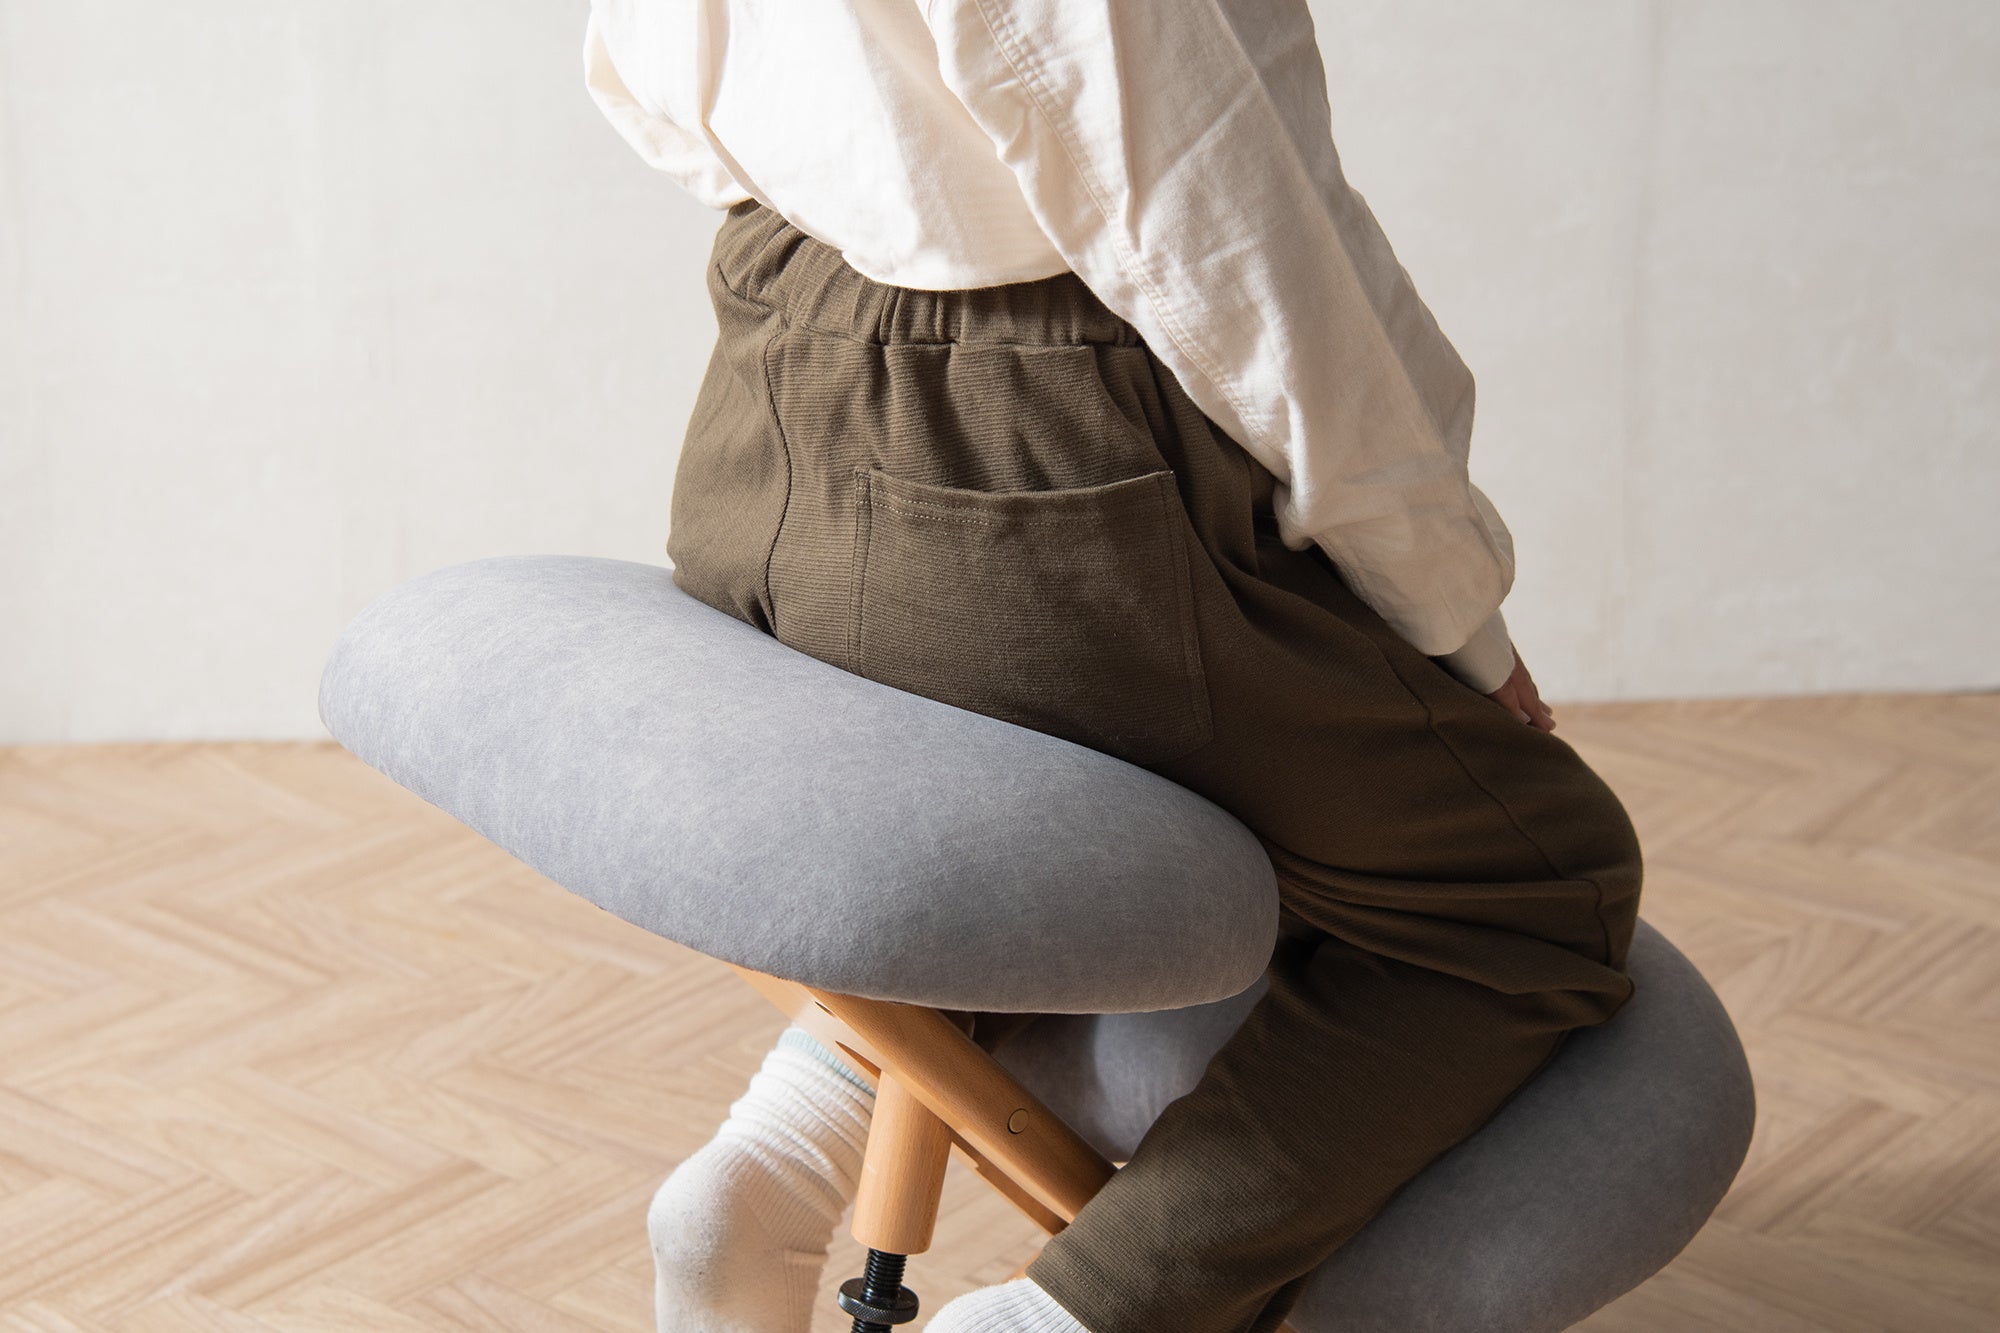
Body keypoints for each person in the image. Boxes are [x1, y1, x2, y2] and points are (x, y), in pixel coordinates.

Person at [582, 2, 1640, 1331]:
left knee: (999, 768)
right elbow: (1232, 243)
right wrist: (1452, 607)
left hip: (765, 387)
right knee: (1536, 887)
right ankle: (1058, 1318)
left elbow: (640, 73)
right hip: (1031, 450)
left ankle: (775, 1164)